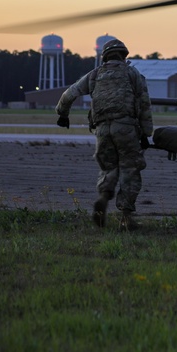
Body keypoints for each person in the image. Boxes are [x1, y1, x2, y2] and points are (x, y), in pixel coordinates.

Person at [55, 39, 153, 231]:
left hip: (102, 130)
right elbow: (144, 104)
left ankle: (104, 196)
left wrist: (63, 115)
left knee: (109, 168)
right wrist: (146, 133)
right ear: (124, 55)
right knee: (129, 169)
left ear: (105, 56)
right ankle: (126, 218)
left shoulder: (94, 75)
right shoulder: (132, 73)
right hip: (125, 127)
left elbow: (68, 94)